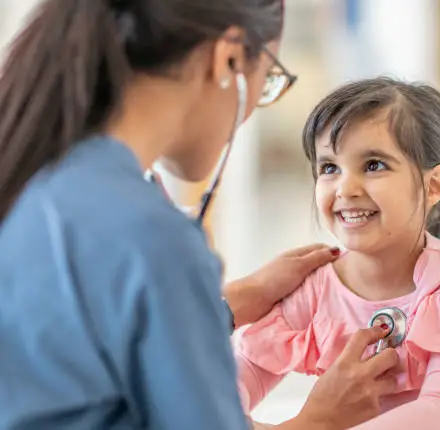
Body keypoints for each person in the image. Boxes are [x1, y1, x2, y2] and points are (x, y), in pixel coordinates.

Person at [0, 1, 400, 429]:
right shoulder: (149, 234)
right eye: (267, 82)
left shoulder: (38, 180)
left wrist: (222, 305)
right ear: (228, 58)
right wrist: (319, 420)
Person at [235, 78, 440, 429]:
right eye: (329, 168)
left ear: (432, 185)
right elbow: (223, 390)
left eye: (373, 165)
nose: (345, 188)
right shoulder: (315, 287)